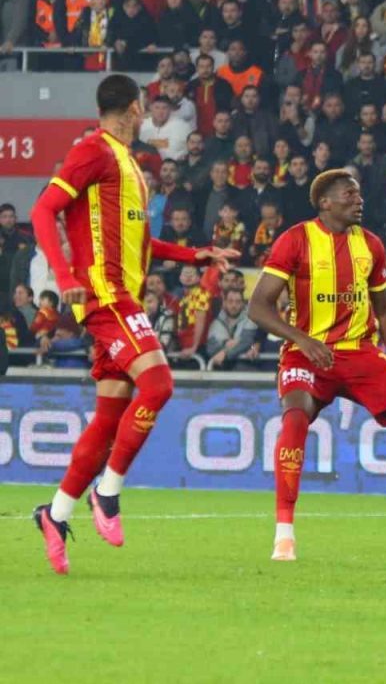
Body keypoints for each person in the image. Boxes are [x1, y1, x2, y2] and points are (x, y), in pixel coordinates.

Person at [28, 75, 237, 575]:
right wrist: (65, 276)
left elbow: (140, 242)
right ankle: (108, 491)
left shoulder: (129, 166)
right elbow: (42, 210)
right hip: (106, 297)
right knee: (159, 384)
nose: (144, 113)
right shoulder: (93, 151)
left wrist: (194, 253)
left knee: (108, 418)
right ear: (130, 109)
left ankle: (55, 514)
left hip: (123, 298)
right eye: (141, 106)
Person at [248, 169, 386, 565]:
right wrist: (303, 340)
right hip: (307, 353)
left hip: (359, 352)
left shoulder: (370, 245)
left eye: (359, 193)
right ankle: (284, 536)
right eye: (349, 194)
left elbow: (385, 313)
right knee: (295, 419)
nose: (359, 200)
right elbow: (258, 306)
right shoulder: (295, 240)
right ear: (325, 203)